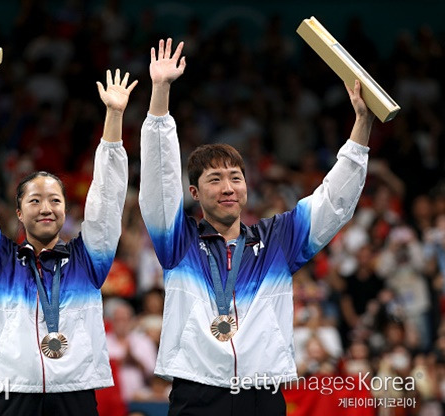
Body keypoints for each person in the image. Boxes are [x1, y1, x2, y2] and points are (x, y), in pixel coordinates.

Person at [139, 38, 374, 415]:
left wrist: (362, 125)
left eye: (236, 177)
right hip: (197, 394)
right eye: (215, 179)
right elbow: (157, 183)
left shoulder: (278, 240)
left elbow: (334, 201)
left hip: (262, 393)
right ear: (195, 192)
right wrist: (161, 94)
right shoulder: (178, 242)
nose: (228, 187)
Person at [0, 68, 137, 415]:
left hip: (76, 391)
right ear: (19, 213)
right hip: (15, 392)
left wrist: (114, 116)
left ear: (66, 210)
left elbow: (108, 202)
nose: (46, 208)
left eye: (55, 200)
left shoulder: (88, 262)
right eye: (35, 200)